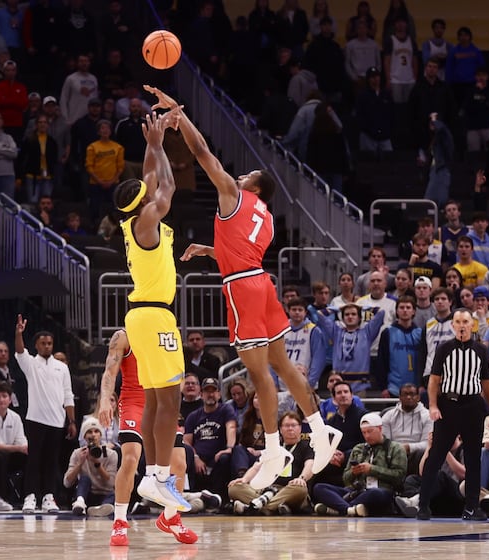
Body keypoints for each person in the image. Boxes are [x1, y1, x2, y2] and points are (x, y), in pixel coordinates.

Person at [156, 85, 343, 492]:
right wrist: (210, 248)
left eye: (245, 177)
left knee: (259, 375)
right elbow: (241, 251)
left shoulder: (233, 194)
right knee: (282, 365)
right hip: (261, 282)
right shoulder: (268, 218)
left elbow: (203, 151)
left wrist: (179, 115)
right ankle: (320, 428)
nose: (238, 177)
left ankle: (274, 448)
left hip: (241, 288)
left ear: (254, 188)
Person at [105, 110, 198, 536]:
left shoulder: (136, 217)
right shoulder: (147, 220)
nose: (152, 192)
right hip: (153, 313)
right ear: (143, 202)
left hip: (145, 314)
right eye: (147, 193)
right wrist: (160, 146)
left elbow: (150, 178)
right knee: (171, 400)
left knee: (161, 400)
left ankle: (156, 477)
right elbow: (170, 185)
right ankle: (157, 478)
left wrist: (150, 141)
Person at [97, 328, 195, 545]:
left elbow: (177, 372)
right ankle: (119, 523)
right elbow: (109, 371)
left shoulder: (166, 332)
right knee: (130, 458)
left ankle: (170, 517)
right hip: (133, 401)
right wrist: (105, 399)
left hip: (160, 401)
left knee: (179, 462)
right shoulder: (123, 335)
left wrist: (172, 402)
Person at [417, 309, 489, 520]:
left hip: (473, 406)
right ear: (452, 325)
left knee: (473, 459)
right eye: (458, 322)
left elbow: (487, 384)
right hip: (448, 405)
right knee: (436, 456)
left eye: (465, 321)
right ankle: (423, 505)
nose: (462, 325)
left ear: (472, 325)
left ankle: (472, 507)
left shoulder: (481, 350)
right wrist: (433, 406)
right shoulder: (444, 348)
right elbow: (434, 380)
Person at [13, 316, 75, 514]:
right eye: (43, 343)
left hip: (57, 421)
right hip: (36, 420)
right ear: (37, 346)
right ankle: (30, 497)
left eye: (49, 343)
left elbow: (68, 395)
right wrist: (19, 333)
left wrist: (71, 421)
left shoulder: (62, 367)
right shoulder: (31, 364)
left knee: (51, 461)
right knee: (34, 460)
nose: (47, 346)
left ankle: (49, 497)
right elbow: (20, 351)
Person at [313, 412, 408, 516]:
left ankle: (338, 508)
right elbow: (345, 479)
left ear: (380, 429)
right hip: (355, 491)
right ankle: (348, 510)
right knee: (319, 487)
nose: (367, 436)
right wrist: (353, 472)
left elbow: (399, 477)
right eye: (364, 432)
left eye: (370, 431)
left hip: (381, 491)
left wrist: (372, 470)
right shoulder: (358, 448)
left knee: (374, 493)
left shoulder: (396, 448)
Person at [0, 381, 27, 511]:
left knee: (29, 457)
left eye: (4, 396)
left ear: (10, 399)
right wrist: (19, 448)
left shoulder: (16, 417)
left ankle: (29, 496)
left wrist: (24, 448)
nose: (1, 399)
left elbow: (21, 441)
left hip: (9, 456)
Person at [65, 417, 118, 517]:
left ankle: (102, 508)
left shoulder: (110, 454)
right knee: (84, 479)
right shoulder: (78, 453)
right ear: (84, 436)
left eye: (96, 431)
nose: (93, 435)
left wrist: (98, 464)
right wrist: (79, 464)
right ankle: (80, 502)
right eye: (89, 432)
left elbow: (111, 483)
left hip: (105, 493)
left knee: (115, 493)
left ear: (100, 435)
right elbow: (67, 482)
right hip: (87, 494)